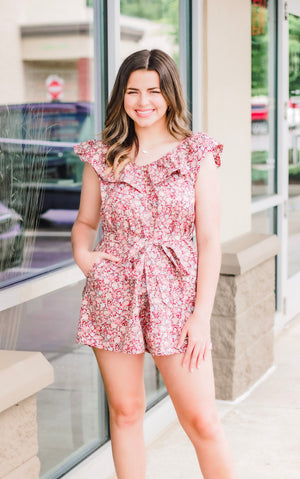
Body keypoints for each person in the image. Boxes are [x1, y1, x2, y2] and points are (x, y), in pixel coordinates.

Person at [71, 49, 237, 479]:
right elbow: (86, 222)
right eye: (132, 91)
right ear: (120, 96)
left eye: (153, 91)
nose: (143, 101)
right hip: (114, 290)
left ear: (169, 95)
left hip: (177, 298)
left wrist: (201, 317)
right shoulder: (104, 155)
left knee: (202, 421)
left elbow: (209, 240)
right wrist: (84, 257)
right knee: (126, 412)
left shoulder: (195, 152)